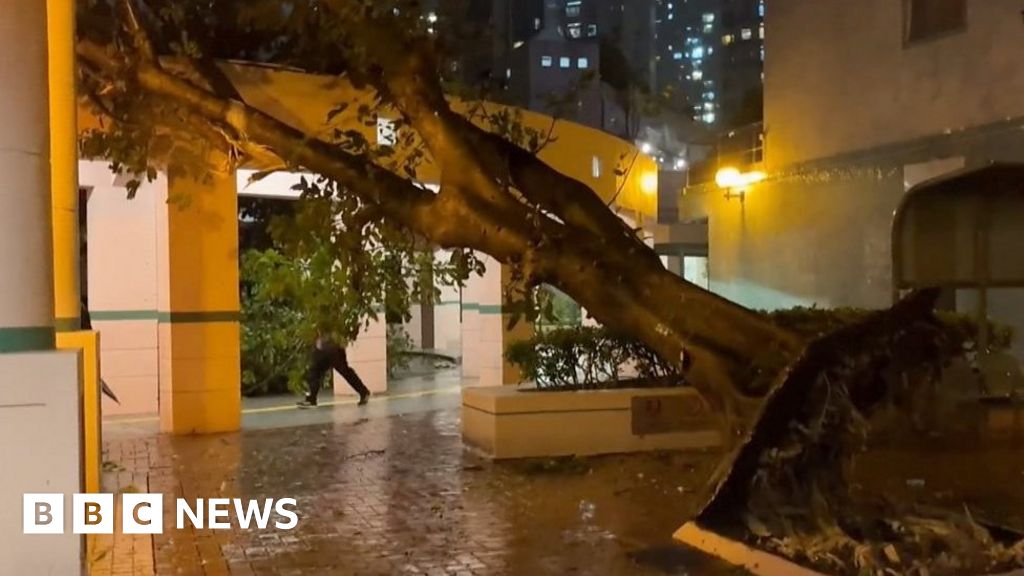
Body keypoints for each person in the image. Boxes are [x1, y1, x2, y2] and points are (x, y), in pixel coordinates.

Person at [297, 333, 370, 408]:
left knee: (344, 371)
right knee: (314, 371)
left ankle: (363, 392)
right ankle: (311, 399)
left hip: (334, 347)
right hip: (322, 347)